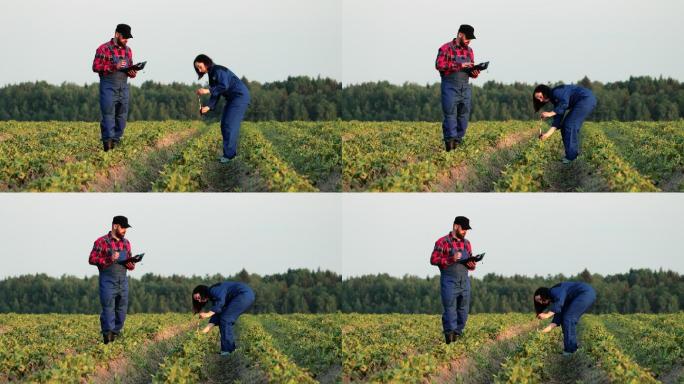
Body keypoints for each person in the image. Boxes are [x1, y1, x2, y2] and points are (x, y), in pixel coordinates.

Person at [430, 216, 479, 344]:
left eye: (467, 230)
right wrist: (451, 258)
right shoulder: (442, 242)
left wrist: (472, 265)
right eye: (463, 229)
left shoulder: (467, 243)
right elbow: (433, 260)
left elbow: (469, 263)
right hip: (449, 281)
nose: (465, 232)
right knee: (450, 311)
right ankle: (450, 342)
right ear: (456, 226)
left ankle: (457, 337)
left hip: (464, 281)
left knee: (463, 312)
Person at [194, 54, 251, 163]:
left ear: (206, 63)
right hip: (232, 99)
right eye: (197, 68)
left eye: (200, 66)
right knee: (224, 123)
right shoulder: (211, 75)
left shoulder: (218, 70)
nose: (199, 69)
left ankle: (230, 156)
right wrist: (208, 107)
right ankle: (228, 154)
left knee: (230, 124)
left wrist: (207, 90)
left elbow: (224, 86)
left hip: (239, 96)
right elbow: (216, 93)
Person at [88, 215, 136, 344]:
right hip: (107, 281)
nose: (125, 230)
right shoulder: (101, 242)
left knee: (121, 311)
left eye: (126, 228)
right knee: (108, 310)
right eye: (123, 227)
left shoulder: (126, 243)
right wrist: (110, 259)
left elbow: (128, 260)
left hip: (123, 281)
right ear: (115, 226)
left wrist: (131, 265)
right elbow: (92, 259)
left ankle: (114, 334)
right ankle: (107, 339)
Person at [92, 24, 139, 152]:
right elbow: (95, 67)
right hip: (108, 87)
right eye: (124, 37)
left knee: (122, 118)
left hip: (123, 87)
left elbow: (128, 67)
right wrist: (114, 66)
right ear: (117, 34)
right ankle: (108, 147)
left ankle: (116, 145)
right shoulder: (103, 49)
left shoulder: (128, 50)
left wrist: (132, 72)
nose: (126, 40)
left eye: (128, 38)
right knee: (108, 116)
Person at [435, 24, 481, 152]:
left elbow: (469, 70)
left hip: (465, 87)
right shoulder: (445, 48)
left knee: (463, 119)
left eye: (471, 39)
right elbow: (439, 65)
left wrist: (474, 73)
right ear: (460, 34)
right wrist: (460, 65)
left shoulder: (469, 51)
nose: (469, 41)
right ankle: (450, 149)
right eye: (467, 38)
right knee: (450, 117)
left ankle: (457, 145)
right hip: (450, 86)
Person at [534, 84, 597, 164]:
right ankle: (571, 155)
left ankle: (572, 157)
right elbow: (558, 119)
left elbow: (564, 104)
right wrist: (547, 135)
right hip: (584, 101)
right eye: (538, 99)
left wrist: (550, 113)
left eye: (540, 97)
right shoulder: (555, 100)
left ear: (544, 92)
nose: (540, 100)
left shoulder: (556, 92)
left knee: (569, 125)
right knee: (564, 126)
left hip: (586, 99)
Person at [193, 281, 255, 355]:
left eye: (198, 298)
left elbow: (220, 303)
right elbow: (217, 313)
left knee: (226, 319)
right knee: (224, 317)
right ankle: (230, 350)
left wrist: (208, 314)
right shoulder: (213, 296)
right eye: (197, 300)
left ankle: (227, 351)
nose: (199, 301)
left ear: (202, 292)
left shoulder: (214, 290)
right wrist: (203, 332)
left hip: (243, 294)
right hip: (245, 295)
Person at [534, 281, 596, 355]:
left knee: (568, 318)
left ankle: (570, 351)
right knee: (566, 318)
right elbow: (556, 320)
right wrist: (543, 331)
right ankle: (572, 349)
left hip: (584, 293)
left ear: (543, 293)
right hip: (585, 294)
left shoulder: (554, 291)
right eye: (538, 301)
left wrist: (547, 315)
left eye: (540, 299)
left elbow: (559, 303)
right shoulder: (556, 300)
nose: (541, 302)